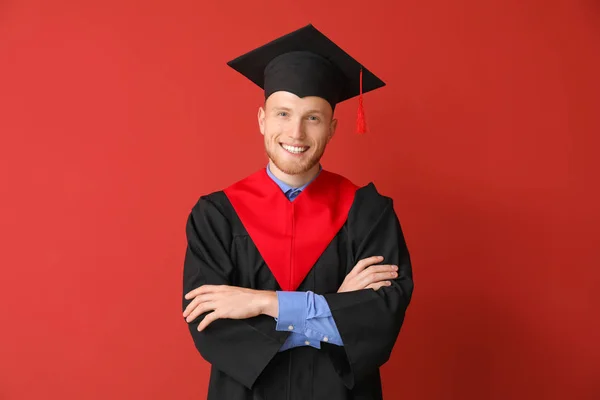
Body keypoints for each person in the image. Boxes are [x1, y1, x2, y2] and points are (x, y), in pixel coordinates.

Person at [181, 24, 414, 400]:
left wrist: (262, 302)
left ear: (333, 127)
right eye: (283, 113)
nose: (296, 133)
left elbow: (379, 319)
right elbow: (211, 328)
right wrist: (335, 309)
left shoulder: (369, 213)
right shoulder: (216, 217)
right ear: (262, 120)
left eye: (313, 117)